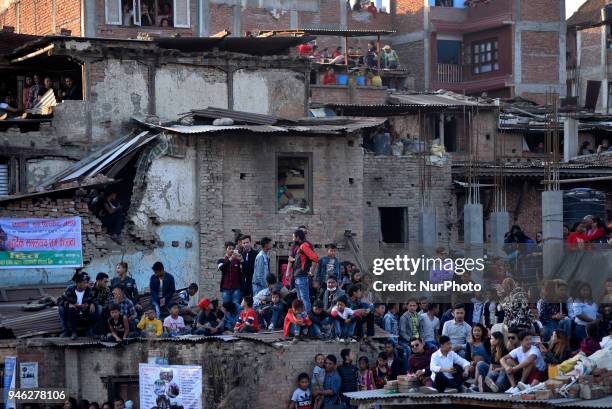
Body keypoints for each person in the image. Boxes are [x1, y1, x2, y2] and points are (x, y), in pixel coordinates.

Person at [292, 229, 318, 312]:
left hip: (302, 277)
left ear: (298, 237)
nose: (292, 239)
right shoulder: (299, 247)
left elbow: (315, 258)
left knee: (304, 299)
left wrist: (311, 272)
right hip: (298, 277)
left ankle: (307, 317)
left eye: (293, 237)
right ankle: (302, 317)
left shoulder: (304, 246)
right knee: (300, 300)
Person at [62, 272, 94, 339]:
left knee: (96, 308)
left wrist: (92, 304)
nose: (86, 284)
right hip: (73, 312)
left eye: (87, 282)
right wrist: (69, 304)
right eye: (84, 283)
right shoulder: (70, 289)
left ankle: (89, 331)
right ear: (78, 283)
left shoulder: (88, 290)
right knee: (68, 309)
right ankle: (73, 332)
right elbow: (60, 300)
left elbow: (94, 299)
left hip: (85, 311)